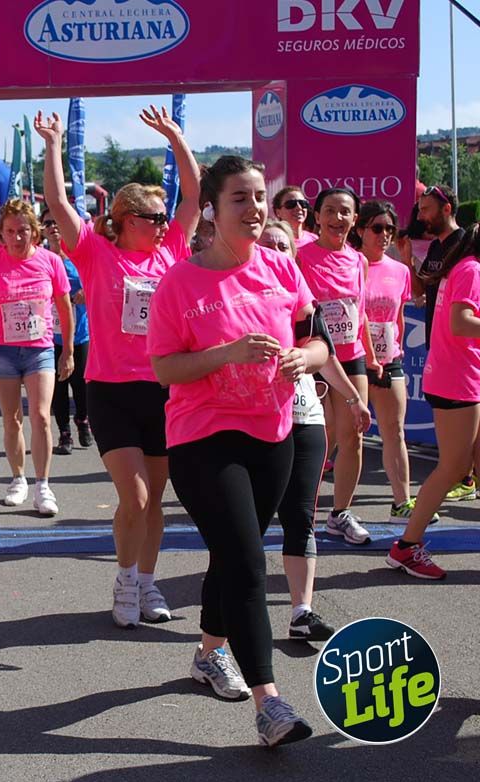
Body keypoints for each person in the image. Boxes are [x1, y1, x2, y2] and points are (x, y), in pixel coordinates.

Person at [149, 155, 326, 747]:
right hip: (202, 435)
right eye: (239, 200)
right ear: (212, 210)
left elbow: (315, 336)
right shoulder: (179, 281)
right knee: (250, 562)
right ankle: (269, 704)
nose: (254, 210)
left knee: (233, 555)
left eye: (258, 198)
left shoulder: (281, 267)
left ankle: (207, 654)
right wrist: (225, 354)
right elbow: (164, 366)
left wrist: (308, 359)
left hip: (272, 432)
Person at [37, 105, 200, 628]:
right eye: (153, 217)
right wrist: (53, 144)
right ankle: (126, 577)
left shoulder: (172, 250)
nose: (162, 224)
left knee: (155, 501)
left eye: (162, 218)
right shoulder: (94, 251)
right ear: (127, 219)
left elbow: (194, 197)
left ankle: (146, 583)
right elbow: (59, 201)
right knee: (135, 495)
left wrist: (176, 139)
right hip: (109, 389)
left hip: (163, 390)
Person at [260, 220, 367, 643]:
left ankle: (302, 611)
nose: (275, 252)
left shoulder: (304, 306)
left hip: (304, 417)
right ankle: (228, 618)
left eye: (283, 246)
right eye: (267, 244)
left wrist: (354, 400)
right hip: (254, 422)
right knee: (248, 522)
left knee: (300, 516)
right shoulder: (236, 297)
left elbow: (325, 357)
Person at [388, 223, 480, 580]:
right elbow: (461, 322)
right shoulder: (471, 269)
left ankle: (407, 545)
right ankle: (407, 547)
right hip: (458, 380)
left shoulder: (465, 267)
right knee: (453, 469)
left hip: (460, 377)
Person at [0, 200, 74, 516]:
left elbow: (65, 307)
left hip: (39, 349)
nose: (17, 238)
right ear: (1, 234)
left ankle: (43, 485)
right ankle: (18, 479)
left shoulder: (51, 262)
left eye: (23, 231)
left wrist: (67, 351)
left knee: (41, 416)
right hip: (3, 349)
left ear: (35, 233)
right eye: (10, 232)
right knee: (11, 417)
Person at [297, 187, 379, 544]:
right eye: (329, 211)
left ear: (354, 220)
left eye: (344, 212)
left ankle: (339, 513)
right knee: (316, 437)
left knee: (353, 434)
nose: (337, 218)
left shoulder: (359, 260)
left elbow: (358, 314)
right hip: (313, 355)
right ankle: (299, 511)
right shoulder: (300, 256)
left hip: (351, 354)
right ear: (317, 217)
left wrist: (372, 354)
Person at [353, 200, 428, 521]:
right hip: (354, 360)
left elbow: (398, 318)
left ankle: (402, 503)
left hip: (389, 361)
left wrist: (393, 351)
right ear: (361, 230)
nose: (384, 235)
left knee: (394, 431)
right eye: (377, 228)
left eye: (389, 229)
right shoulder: (351, 263)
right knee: (342, 436)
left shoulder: (399, 270)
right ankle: (304, 501)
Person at [414, 186, 475, 502]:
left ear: (447, 209)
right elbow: (424, 289)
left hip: (463, 354)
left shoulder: (464, 247)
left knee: (464, 447)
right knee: (459, 452)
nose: (421, 215)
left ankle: (464, 478)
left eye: (426, 209)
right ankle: (466, 478)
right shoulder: (441, 251)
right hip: (447, 349)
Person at [42, 211, 91, 453]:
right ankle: (64, 434)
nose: (53, 227)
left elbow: (98, 282)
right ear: (42, 230)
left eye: (56, 221)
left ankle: (82, 419)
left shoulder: (80, 256)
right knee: (58, 387)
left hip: (80, 332)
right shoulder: (39, 258)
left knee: (81, 384)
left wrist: (86, 292)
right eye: (48, 223)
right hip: (49, 335)